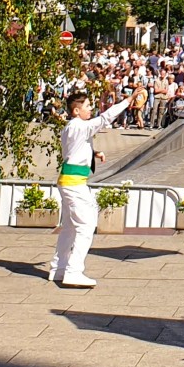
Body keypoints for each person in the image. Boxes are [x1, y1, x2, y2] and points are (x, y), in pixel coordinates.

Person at [49, 83, 138, 289]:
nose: (91, 109)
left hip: (70, 180)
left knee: (70, 227)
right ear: (76, 110)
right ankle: (73, 271)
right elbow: (105, 118)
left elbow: (75, 149)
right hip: (74, 183)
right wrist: (128, 100)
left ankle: (59, 268)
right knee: (86, 225)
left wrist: (93, 153)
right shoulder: (80, 126)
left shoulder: (72, 127)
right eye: (88, 106)